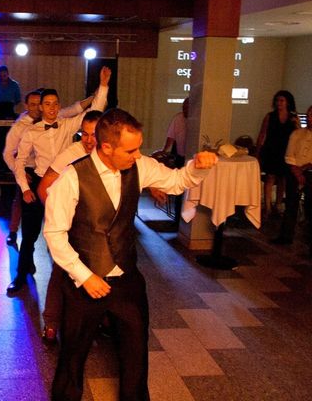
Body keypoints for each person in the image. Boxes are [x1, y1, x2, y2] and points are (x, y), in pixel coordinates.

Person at [43, 108, 217, 401]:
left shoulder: (140, 166)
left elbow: (175, 182)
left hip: (126, 280)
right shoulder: (72, 178)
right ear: (106, 147)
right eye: (131, 149)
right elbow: (54, 234)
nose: (137, 155)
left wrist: (197, 167)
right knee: (72, 357)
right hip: (84, 284)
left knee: (136, 353)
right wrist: (84, 276)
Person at [7, 66, 111, 294]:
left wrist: (103, 86)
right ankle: (21, 276)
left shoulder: (69, 124)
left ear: (58, 105)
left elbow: (95, 112)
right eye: (47, 104)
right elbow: (19, 161)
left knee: (69, 234)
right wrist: (25, 188)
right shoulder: (31, 132)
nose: (52, 108)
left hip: (66, 186)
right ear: (41, 107)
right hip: (38, 183)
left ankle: (71, 278)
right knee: (31, 234)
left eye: (55, 104)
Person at [36, 110, 102, 342]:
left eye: (94, 134)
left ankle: (97, 322)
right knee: (60, 272)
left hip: (99, 231)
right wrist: (59, 218)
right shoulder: (71, 154)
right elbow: (43, 187)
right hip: (71, 228)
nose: (88, 139)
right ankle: (52, 323)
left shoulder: (110, 157)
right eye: (84, 133)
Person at [3, 90, 98, 245]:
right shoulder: (20, 126)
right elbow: (9, 154)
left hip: (61, 174)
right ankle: (14, 233)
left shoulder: (59, 119)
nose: (35, 108)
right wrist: (21, 179)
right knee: (23, 202)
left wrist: (98, 92)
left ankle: (58, 255)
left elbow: (77, 109)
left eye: (38, 104)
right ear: (29, 106)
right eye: (32, 105)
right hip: (32, 171)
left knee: (62, 222)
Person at [272, 104, 312, 251]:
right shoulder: (297, 134)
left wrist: (306, 167)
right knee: (291, 204)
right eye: (307, 116)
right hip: (295, 171)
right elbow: (289, 155)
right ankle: (286, 235)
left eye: (311, 116)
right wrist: (297, 171)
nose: (309, 119)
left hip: (310, 172)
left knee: (310, 206)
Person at [256, 90, 299, 217]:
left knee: (282, 179)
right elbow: (262, 134)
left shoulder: (293, 118)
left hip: (286, 151)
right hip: (271, 150)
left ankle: (278, 204)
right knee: (270, 177)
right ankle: (268, 206)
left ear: (287, 102)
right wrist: (258, 152)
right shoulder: (270, 116)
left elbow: (299, 135)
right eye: (277, 100)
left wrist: (296, 124)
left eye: (282, 100)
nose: (279, 103)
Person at [161, 97, 190, 225]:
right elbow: (170, 137)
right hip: (180, 156)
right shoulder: (178, 119)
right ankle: (177, 218)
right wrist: (163, 151)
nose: (184, 110)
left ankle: (187, 217)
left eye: (187, 107)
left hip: (192, 157)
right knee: (180, 189)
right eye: (183, 107)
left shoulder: (197, 120)